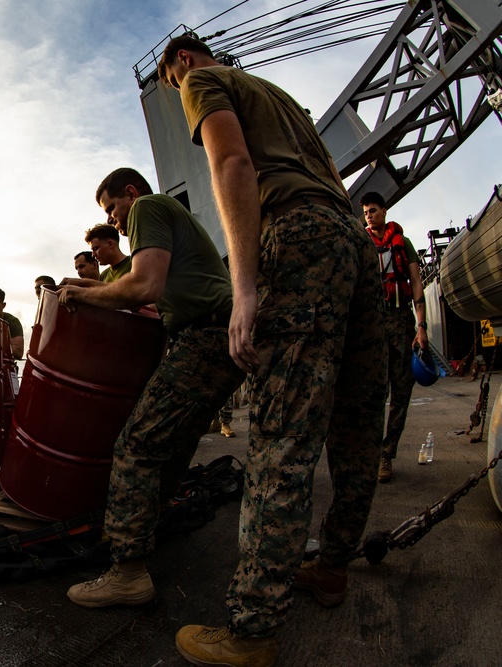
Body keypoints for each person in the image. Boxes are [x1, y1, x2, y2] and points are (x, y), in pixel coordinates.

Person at [159, 35, 387, 666]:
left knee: (282, 435)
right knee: (356, 421)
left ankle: (252, 629)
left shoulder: (202, 83)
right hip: (350, 242)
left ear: (180, 63)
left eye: (169, 83)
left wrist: (245, 288)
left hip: (300, 234)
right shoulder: (280, 96)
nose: (176, 94)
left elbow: (232, 164)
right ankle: (332, 567)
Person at [60, 167, 244, 610]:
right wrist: (88, 284)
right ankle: (145, 534)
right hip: (223, 339)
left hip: (201, 339)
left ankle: (127, 573)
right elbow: (145, 292)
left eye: (111, 210)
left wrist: (83, 297)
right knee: (172, 447)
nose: (115, 222)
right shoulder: (167, 217)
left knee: (136, 448)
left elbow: (144, 285)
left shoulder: (147, 206)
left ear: (129, 193)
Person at [361, 191, 428, 483]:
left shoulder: (404, 244)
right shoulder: (362, 245)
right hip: (374, 323)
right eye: (365, 212)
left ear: (384, 211)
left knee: (402, 390)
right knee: (375, 391)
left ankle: (386, 452)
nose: (369, 215)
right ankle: (373, 452)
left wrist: (422, 326)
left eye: (373, 210)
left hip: (401, 321)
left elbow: (415, 283)